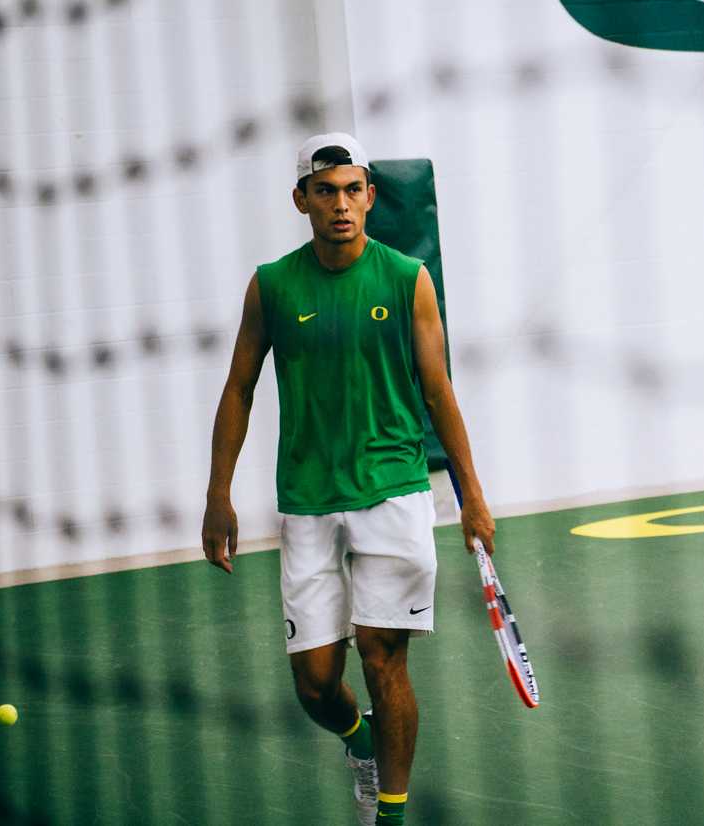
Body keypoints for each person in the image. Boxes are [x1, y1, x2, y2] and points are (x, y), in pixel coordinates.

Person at [200, 133, 495, 826]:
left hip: (393, 490)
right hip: (306, 498)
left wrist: (472, 497)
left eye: (353, 189)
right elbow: (238, 388)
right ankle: (357, 740)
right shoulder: (271, 285)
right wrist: (218, 496)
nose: (341, 204)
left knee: (381, 657)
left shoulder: (406, 279)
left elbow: (438, 392)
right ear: (301, 199)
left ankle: (390, 813)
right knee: (314, 685)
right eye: (325, 190)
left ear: (370, 195)